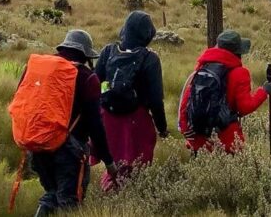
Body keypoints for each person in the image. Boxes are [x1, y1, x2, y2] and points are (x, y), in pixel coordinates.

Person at [25, 30, 115, 216]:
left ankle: (43, 210)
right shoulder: (87, 78)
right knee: (70, 202)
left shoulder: (39, 69)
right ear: (86, 55)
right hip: (69, 151)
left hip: (37, 145)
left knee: (52, 192)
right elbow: (95, 125)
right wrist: (108, 161)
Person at [93, 11, 168, 190]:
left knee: (113, 163)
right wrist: (162, 128)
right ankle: (127, 200)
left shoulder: (108, 51)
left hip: (108, 119)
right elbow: (156, 100)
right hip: (136, 120)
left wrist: (101, 108)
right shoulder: (150, 59)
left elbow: (95, 84)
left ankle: (109, 198)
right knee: (135, 167)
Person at [178, 30, 271, 154]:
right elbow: (245, 107)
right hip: (228, 142)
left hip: (200, 142)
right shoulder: (240, 73)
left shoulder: (203, 68)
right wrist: (264, 91)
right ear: (237, 51)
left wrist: (190, 136)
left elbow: (185, 105)